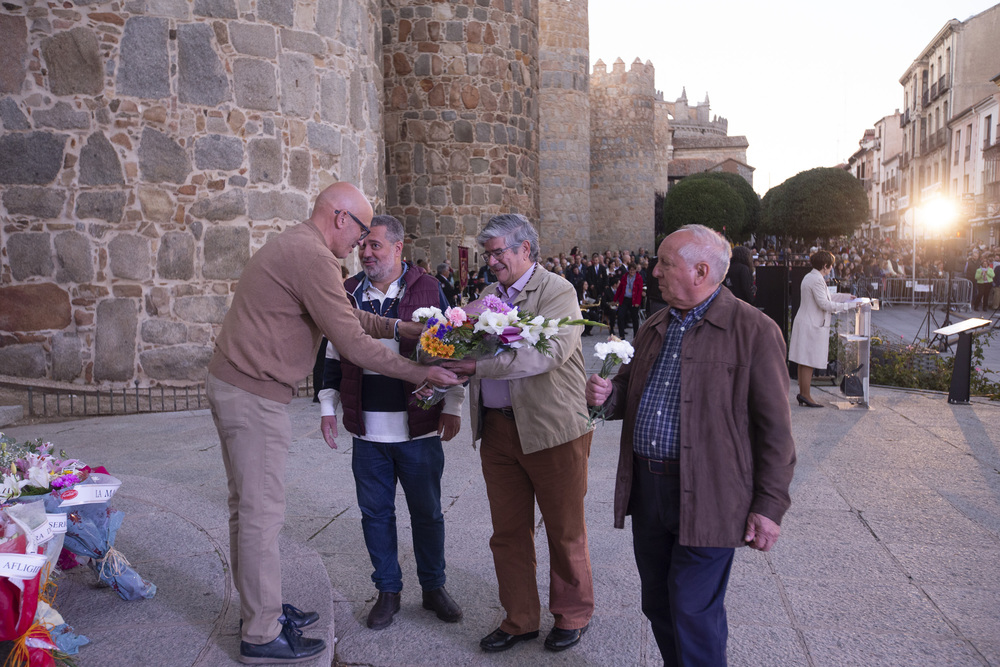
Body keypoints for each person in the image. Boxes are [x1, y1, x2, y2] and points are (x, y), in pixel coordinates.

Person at [205, 182, 463, 664]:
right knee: (261, 515)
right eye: (361, 231)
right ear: (342, 217)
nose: (360, 244)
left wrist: (402, 329)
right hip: (252, 394)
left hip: (237, 385)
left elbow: (347, 315)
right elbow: (350, 341)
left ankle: (260, 609)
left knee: (248, 510)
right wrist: (419, 370)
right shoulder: (315, 257)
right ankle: (260, 635)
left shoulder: (299, 246)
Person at [585, 225, 796, 666]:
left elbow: (776, 430)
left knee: (692, 609)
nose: (654, 271)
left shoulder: (754, 330)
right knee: (658, 603)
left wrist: (769, 505)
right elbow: (631, 389)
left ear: (701, 271)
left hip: (712, 493)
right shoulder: (654, 324)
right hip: (649, 491)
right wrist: (611, 395)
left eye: (665, 263)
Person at [442, 214, 594, 654]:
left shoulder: (558, 291)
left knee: (565, 530)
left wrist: (475, 365)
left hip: (553, 431)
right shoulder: (488, 296)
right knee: (507, 532)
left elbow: (539, 357)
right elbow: (465, 350)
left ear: (526, 248)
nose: (492, 262)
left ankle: (573, 614)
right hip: (499, 434)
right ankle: (520, 618)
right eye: (487, 254)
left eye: (498, 252)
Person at [317, 215, 464, 631]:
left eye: (375, 245)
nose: (365, 252)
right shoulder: (344, 292)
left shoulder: (430, 288)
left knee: (428, 513)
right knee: (375, 515)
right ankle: (388, 590)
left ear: (399, 248)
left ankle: (434, 587)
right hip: (367, 431)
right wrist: (328, 406)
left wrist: (452, 403)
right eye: (363, 245)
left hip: (417, 427)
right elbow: (330, 352)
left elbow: (453, 348)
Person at [788, 250, 858, 408]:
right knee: (807, 361)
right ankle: (806, 395)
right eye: (830, 265)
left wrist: (845, 296)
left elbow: (826, 297)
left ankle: (803, 394)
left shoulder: (811, 277)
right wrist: (850, 306)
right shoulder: (817, 280)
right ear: (825, 266)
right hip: (811, 324)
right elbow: (825, 304)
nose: (831, 268)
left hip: (807, 322)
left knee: (804, 360)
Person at [613, 263, 643, 339]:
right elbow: (619, 289)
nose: (631, 271)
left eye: (633, 270)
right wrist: (615, 299)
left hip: (633, 300)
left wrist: (638, 302)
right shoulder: (624, 277)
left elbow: (639, 291)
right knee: (620, 316)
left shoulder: (639, 278)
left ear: (635, 270)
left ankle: (636, 335)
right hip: (624, 299)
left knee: (634, 318)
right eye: (630, 270)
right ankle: (622, 335)